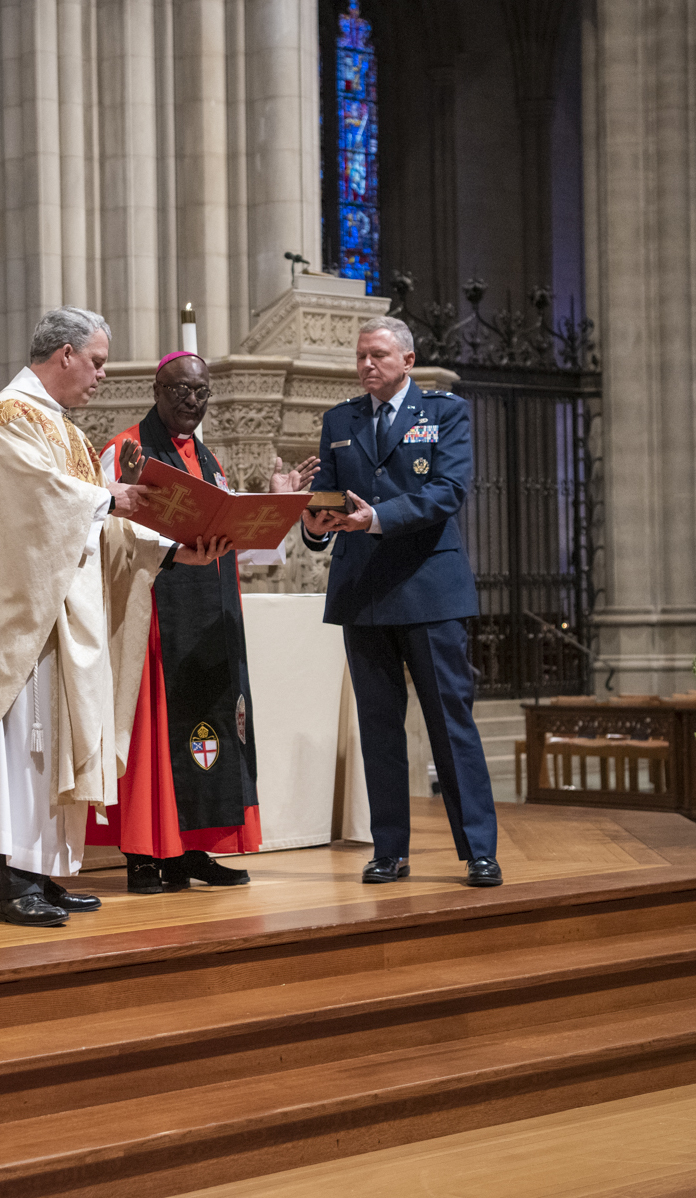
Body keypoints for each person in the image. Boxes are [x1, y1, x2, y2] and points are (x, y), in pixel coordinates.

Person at [0, 306, 165, 927]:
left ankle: (45, 873)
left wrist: (166, 545)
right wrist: (105, 495)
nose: (102, 376)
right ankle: (16, 885)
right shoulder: (3, 418)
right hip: (23, 622)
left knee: (58, 747)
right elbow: (34, 501)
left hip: (65, 612)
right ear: (63, 355)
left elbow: (94, 528)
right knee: (26, 750)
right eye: (96, 362)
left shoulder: (63, 429)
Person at [93, 350, 317, 893]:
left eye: (201, 393)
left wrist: (277, 508)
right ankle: (146, 855)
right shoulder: (126, 451)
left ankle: (192, 850)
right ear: (157, 391)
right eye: (181, 391)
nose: (192, 401)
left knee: (215, 729)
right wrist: (172, 551)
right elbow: (107, 535)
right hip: (153, 622)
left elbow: (234, 544)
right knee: (151, 735)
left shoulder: (209, 459)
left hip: (211, 621)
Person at [301, 315, 501, 887]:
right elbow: (329, 507)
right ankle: (389, 850)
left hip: (429, 591)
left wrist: (378, 518)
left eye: (379, 356)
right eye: (362, 356)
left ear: (407, 361)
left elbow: (449, 490)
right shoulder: (339, 420)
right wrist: (311, 520)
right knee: (379, 728)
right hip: (362, 594)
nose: (367, 365)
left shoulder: (444, 413)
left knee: (450, 725)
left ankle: (479, 851)